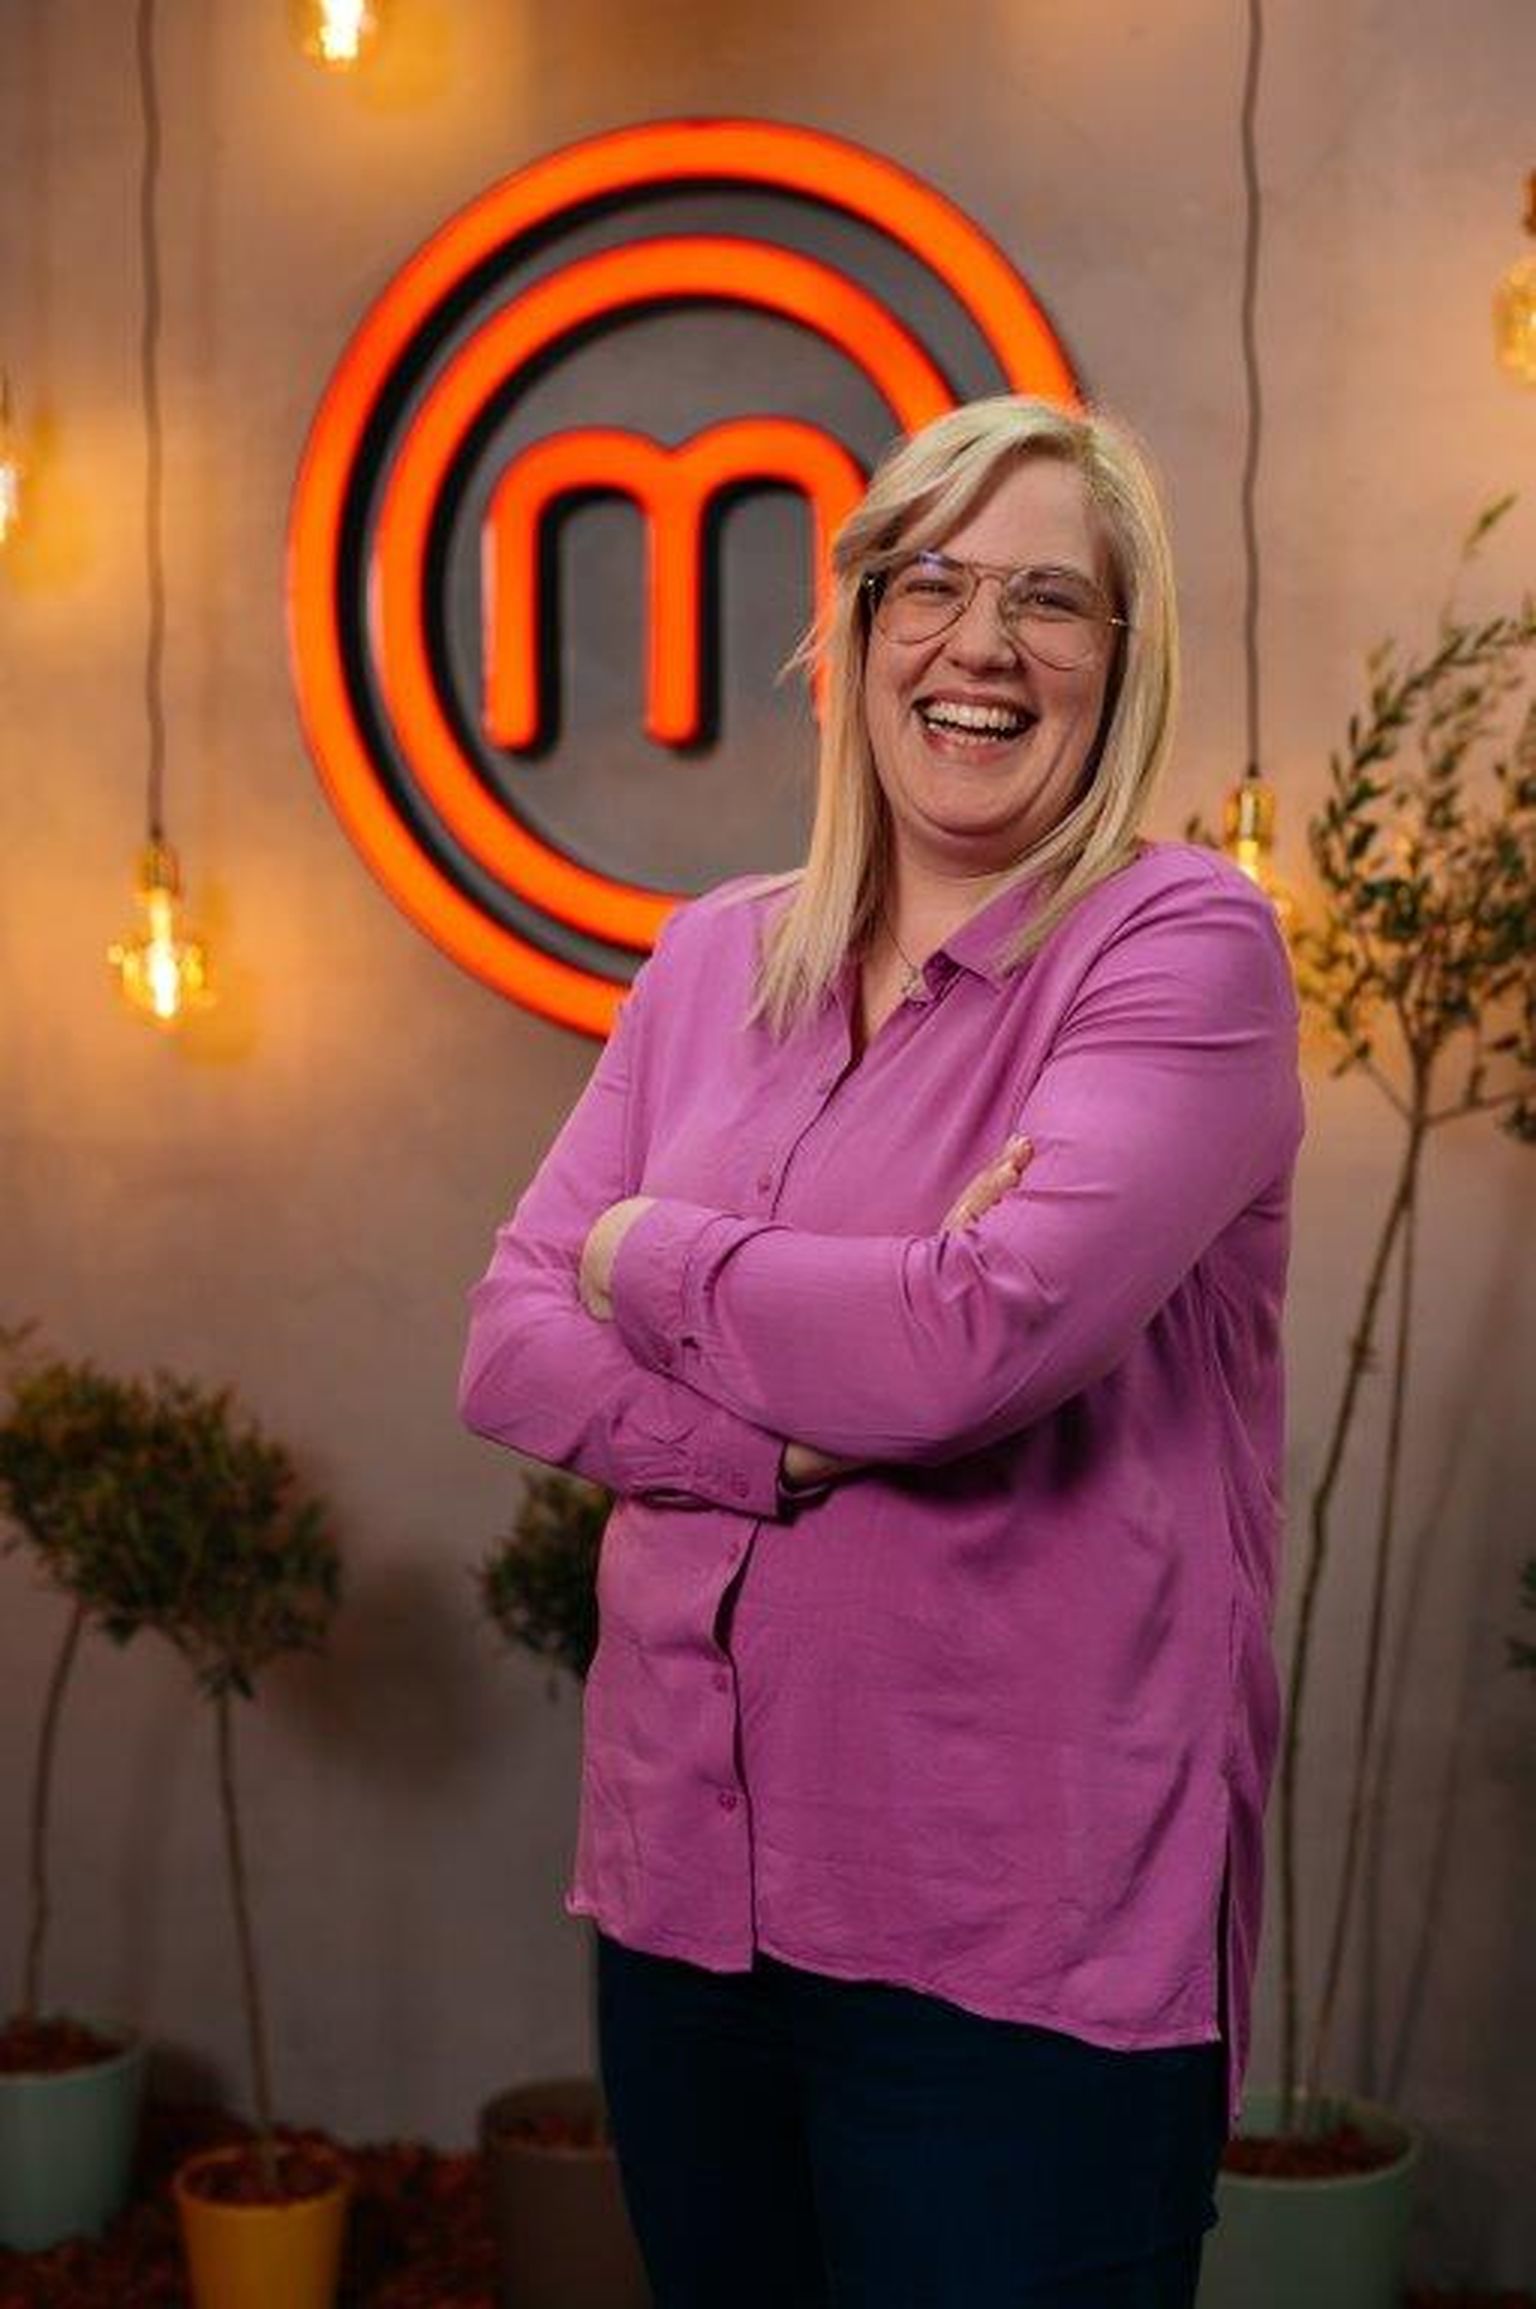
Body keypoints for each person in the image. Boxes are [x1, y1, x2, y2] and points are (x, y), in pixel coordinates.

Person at [458, 394, 1303, 2309]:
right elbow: (505, 1342)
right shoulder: (712, 960)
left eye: (1049, 600)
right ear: (851, 632)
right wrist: (776, 1428)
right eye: (930, 581)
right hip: (689, 1900)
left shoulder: (1180, 949)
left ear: (1122, 659)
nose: (980, 642)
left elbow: (962, 1344)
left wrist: (641, 1251)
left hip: (1021, 1941)